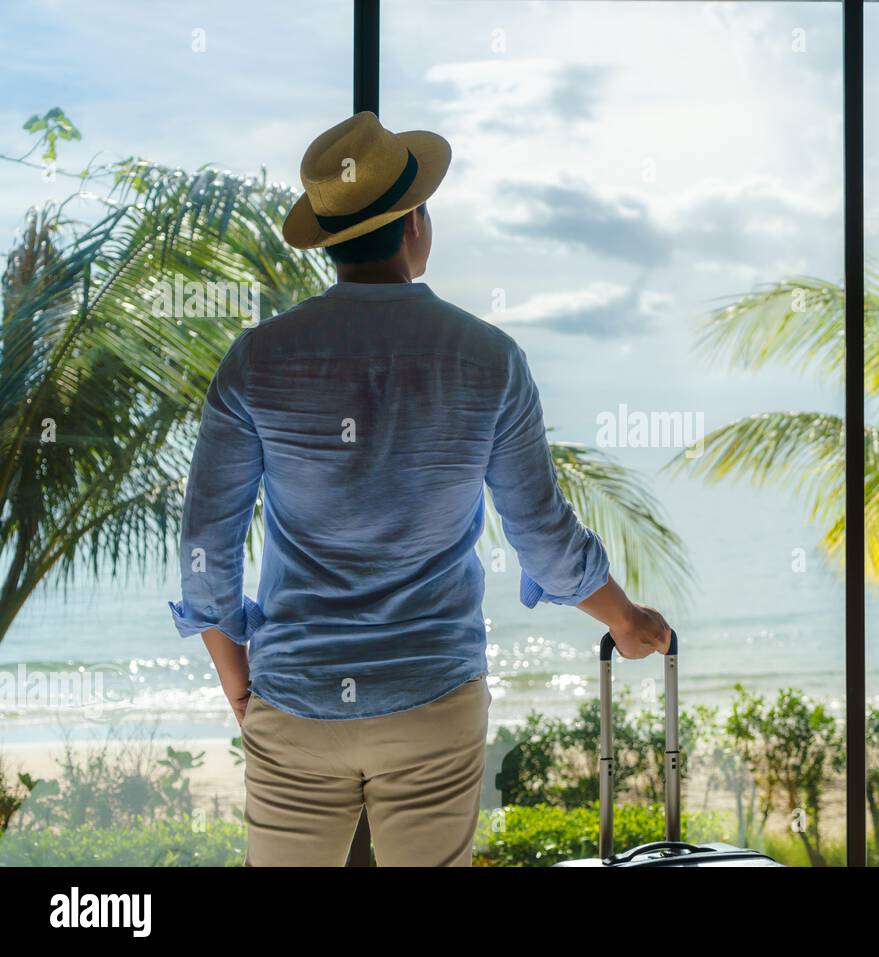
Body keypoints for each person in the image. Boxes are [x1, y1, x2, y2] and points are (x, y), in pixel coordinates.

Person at [167, 111, 672, 866]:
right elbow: (540, 534)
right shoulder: (489, 359)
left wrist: (240, 685)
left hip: (296, 703)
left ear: (331, 242)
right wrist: (625, 619)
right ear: (415, 224)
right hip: (433, 699)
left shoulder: (256, 361)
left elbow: (205, 547)